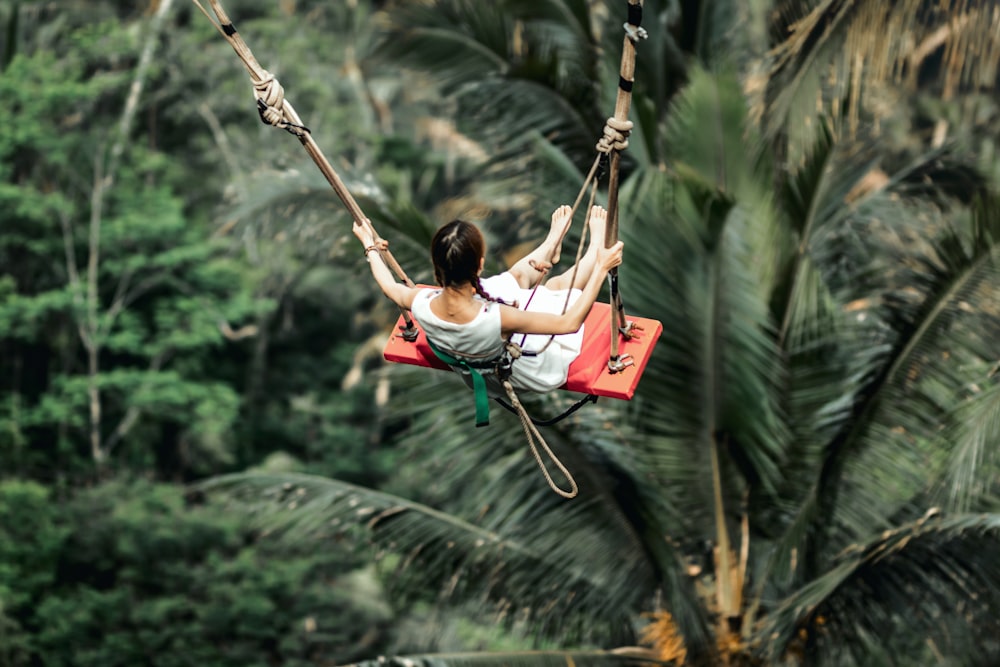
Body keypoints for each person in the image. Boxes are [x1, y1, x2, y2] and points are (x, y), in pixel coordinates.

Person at [354, 205, 624, 400]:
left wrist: (370, 246)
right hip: (521, 372)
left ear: (437, 268)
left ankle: (550, 245)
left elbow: (389, 286)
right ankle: (594, 252)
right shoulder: (497, 317)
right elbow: (568, 324)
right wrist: (601, 269)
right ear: (480, 265)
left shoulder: (421, 302)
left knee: (516, 278)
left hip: (478, 366)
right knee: (554, 288)